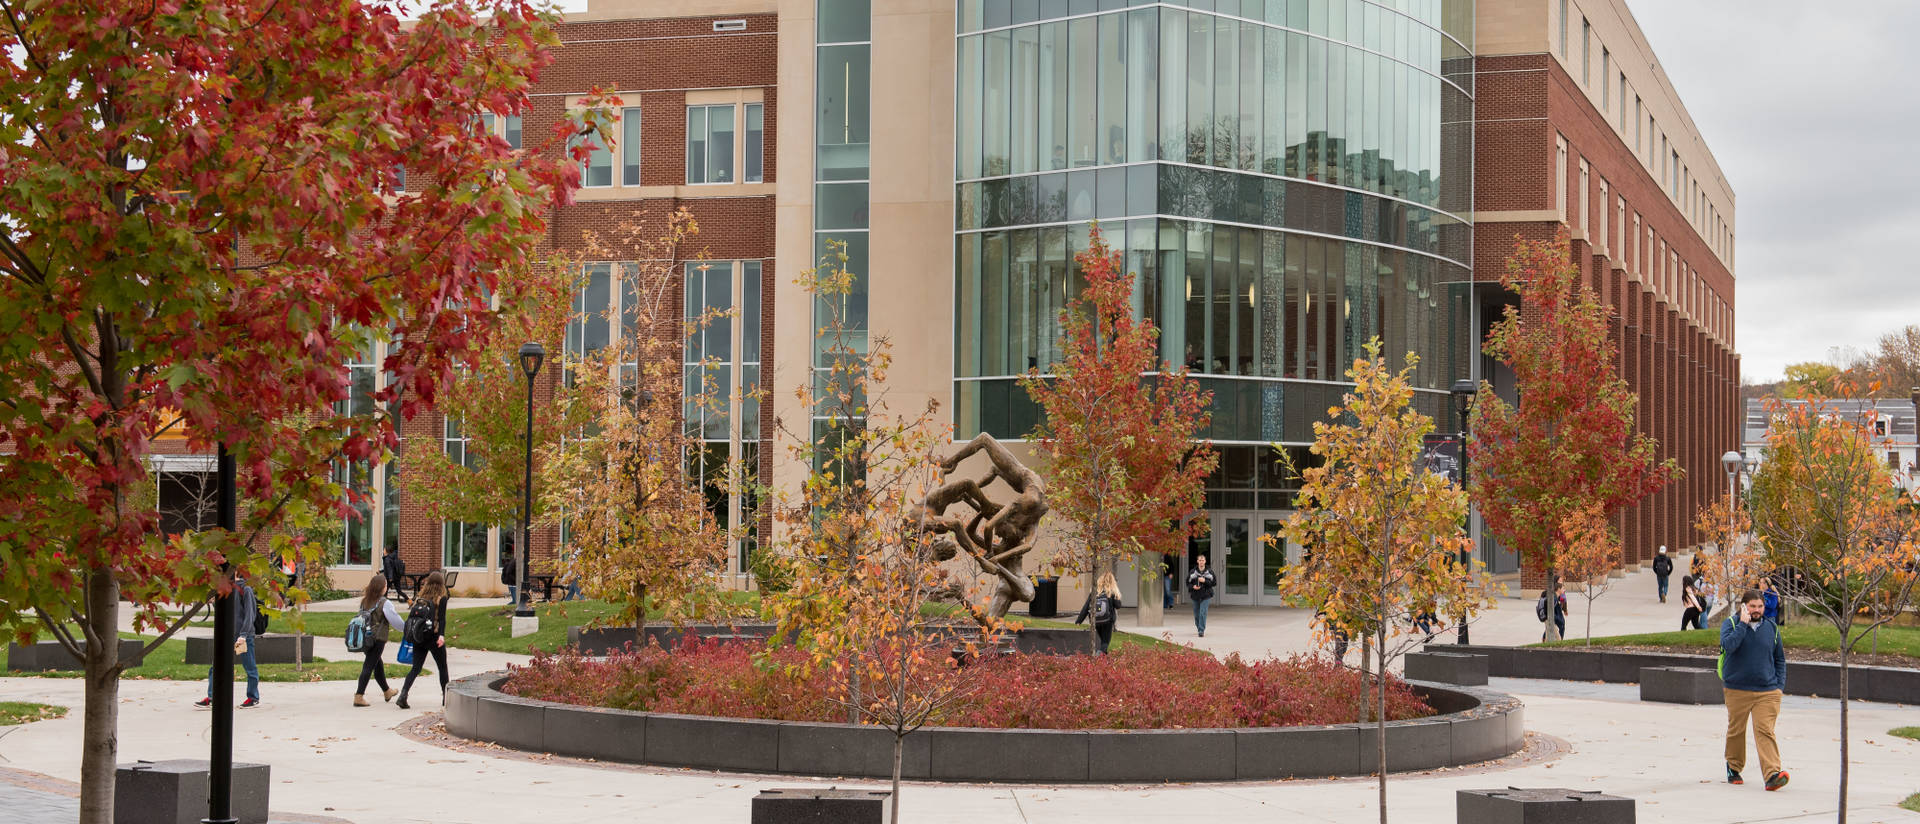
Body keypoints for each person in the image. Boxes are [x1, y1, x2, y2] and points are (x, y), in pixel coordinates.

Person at [1721, 589, 1789, 791]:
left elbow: (1779, 659)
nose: (1757, 610)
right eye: (1752, 606)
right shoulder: (1731, 625)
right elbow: (1729, 646)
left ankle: (1772, 775)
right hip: (1737, 689)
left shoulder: (1771, 628)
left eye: (1760, 606)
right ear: (1744, 606)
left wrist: (1779, 686)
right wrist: (1743, 623)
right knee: (1736, 731)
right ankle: (1733, 767)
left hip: (1767, 691)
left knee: (1765, 731)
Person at [195, 570, 260, 710]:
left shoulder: (246, 590)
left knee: (250, 667)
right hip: (227, 635)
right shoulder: (226, 590)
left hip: (243, 636)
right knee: (216, 667)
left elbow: (250, 614)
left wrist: (243, 635)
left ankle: (253, 697)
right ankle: (212, 697)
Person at [397, 570, 451, 710]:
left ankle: (403, 694)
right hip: (433, 637)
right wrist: (441, 635)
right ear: (441, 583)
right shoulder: (442, 598)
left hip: (419, 636)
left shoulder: (419, 598)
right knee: (442, 667)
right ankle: (447, 699)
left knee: (416, 668)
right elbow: (442, 619)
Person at [352, 574, 404, 707]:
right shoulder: (384, 603)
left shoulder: (365, 601)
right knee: (369, 665)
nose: (387, 587)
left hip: (364, 638)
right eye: (386, 585)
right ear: (382, 587)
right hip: (377, 638)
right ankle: (359, 696)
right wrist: (407, 629)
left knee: (376, 663)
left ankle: (387, 691)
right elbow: (396, 621)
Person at [1073, 572, 1123, 654]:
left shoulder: (1095, 592)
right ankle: (1098, 657)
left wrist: (1079, 621)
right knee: (1105, 642)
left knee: (1102, 641)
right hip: (1108, 621)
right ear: (1112, 582)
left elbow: (1086, 607)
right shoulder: (1111, 592)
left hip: (1096, 620)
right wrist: (1117, 596)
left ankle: (1103, 662)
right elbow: (1118, 606)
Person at [1187, 554, 1216, 637]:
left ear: (1205, 561)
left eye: (1203, 560)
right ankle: (1199, 626)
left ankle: (1201, 630)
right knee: (1196, 614)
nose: (1201, 562)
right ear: (1197, 561)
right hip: (1195, 595)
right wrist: (1193, 587)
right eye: (1200, 560)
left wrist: (1204, 581)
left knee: (1203, 613)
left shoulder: (1209, 572)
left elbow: (1214, 583)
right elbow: (1187, 583)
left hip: (1206, 595)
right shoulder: (1193, 572)